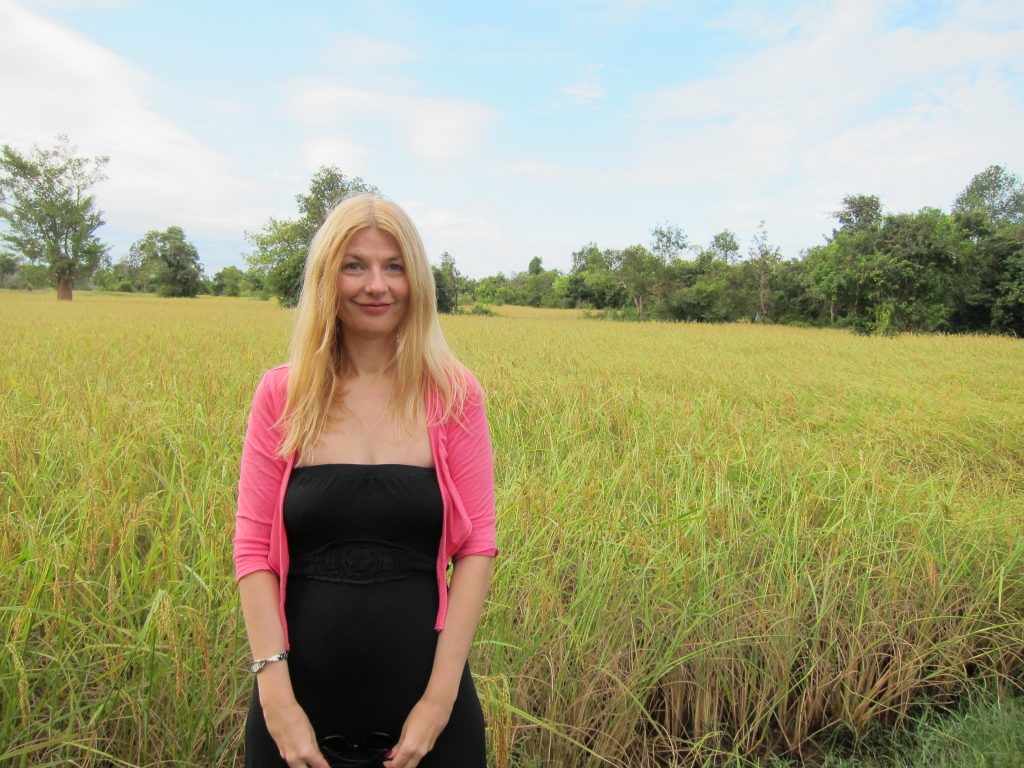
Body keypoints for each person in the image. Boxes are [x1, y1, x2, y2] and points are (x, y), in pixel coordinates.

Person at [233, 193, 498, 768]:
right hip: (297, 718)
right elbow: (253, 550)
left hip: (428, 718)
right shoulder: (283, 394)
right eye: (355, 265)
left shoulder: (454, 395)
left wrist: (439, 699)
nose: (376, 285)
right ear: (328, 277)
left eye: (394, 266)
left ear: (416, 279)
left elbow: (477, 547)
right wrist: (277, 702)